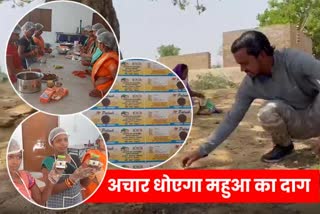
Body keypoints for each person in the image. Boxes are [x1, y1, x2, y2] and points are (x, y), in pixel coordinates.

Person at [182, 30, 320, 166]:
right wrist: (202, 150)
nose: (242, 69)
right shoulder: (250, 84)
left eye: (245, 63)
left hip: (316, 116)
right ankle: (284, 146)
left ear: (261, 55)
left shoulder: (294, 60)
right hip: (298, 125)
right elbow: (231, 119)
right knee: (267, 111)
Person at [41, 127, 95, 208]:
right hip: (57, 204)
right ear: (52, 144)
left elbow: (83, 184)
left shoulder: (75, 158)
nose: (63, 143)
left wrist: (90, 173)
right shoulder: (48, 162)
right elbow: (50, 191)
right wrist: (71, 179)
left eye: (65, 140)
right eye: (59, 141)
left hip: (76, 201)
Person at [7, 139, 63, 206]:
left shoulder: (25, 176)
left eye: (19, 157)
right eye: (10, 157)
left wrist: (52, 180)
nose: (15, 162)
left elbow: (41, 200)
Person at [90, 31, 119, 98]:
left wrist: (103, 93)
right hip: (99, 89)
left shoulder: (111, 61)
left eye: (98, 43)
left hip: (103, 94)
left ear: (103, 44)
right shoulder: (106, 54)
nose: (98, 45)